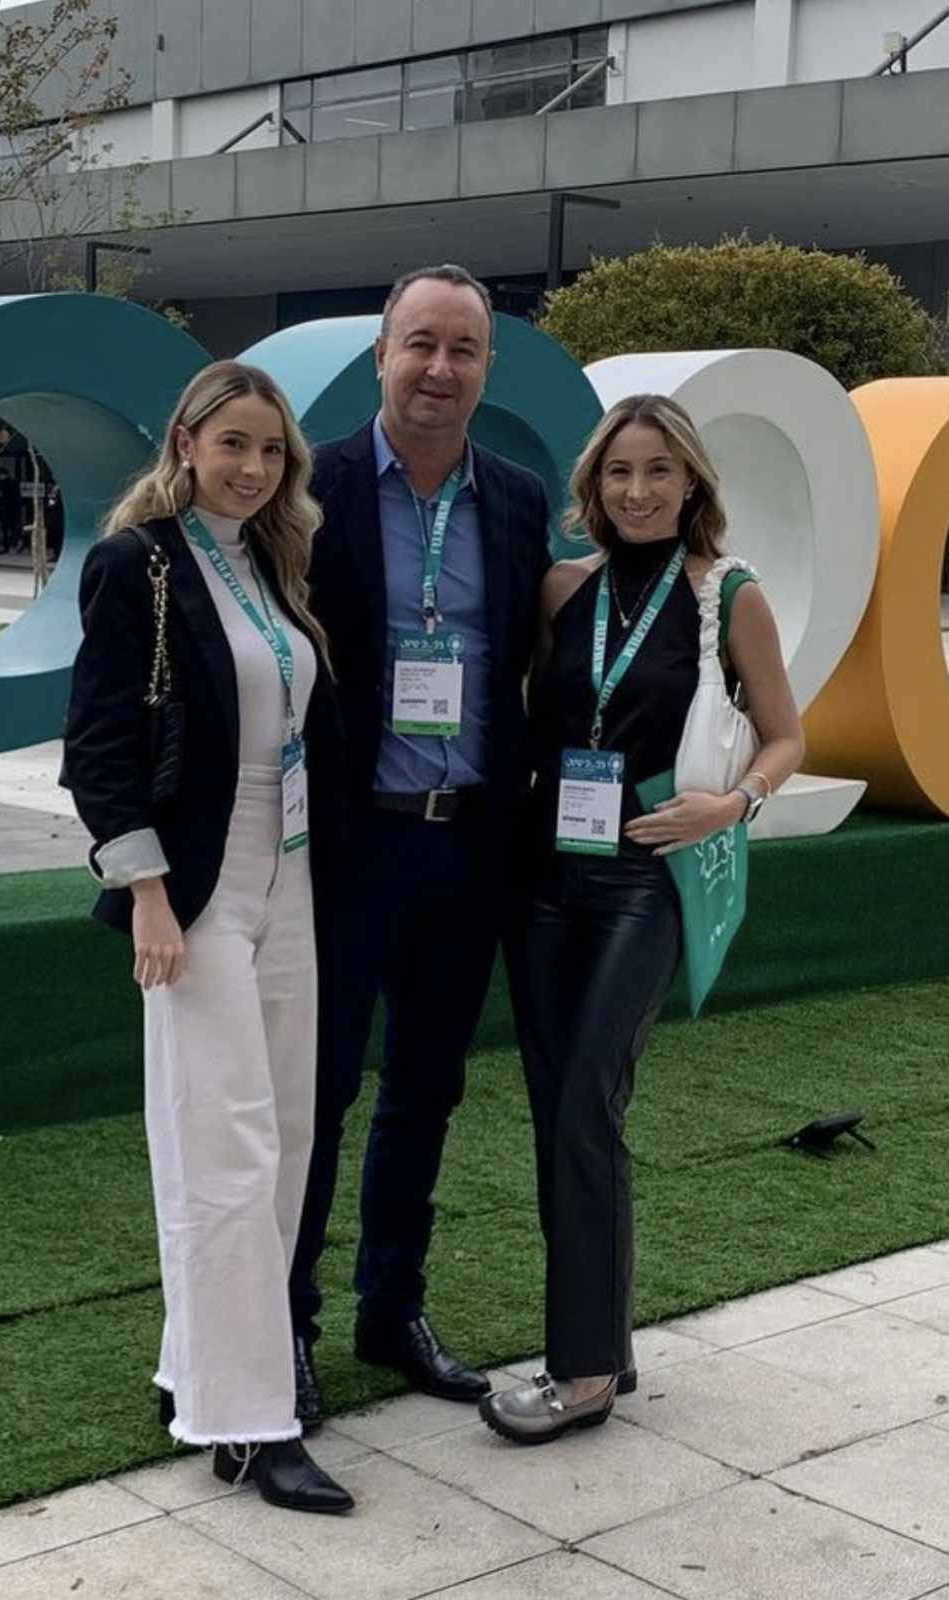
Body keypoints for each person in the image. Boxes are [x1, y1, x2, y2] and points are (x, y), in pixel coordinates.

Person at [479, 393, 804, 1445]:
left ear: (692, 479)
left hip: (646, 873)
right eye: (619, 470)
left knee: (587, 1095)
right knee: (560, 1109)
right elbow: (539, 714)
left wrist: (732, 804)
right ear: (593, 482)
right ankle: (602, 1344)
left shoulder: (727, 593)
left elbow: (785, 736)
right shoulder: (562, 586)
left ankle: (579, 1374)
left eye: (659, 469)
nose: (637, 489)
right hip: (541, 874)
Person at [62, 360, 353, 1514]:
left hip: (293, 875)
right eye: (233, 442)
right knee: (221, 1150)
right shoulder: (133, 563)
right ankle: (248, 1422)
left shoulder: (273, 564)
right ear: (185, 442)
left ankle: (202, 1371)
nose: (252, 466)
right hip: (196, 888)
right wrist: (145, 891)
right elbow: (97, 744)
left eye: (271, 449)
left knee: (283, 1136)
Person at [290, 264, 551, 1427]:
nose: (439, 368)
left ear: (487, 367)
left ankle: (388, 1309)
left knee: (425, 1090)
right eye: (420, 344)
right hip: (348, 851)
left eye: (463, 349)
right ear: (381, 356)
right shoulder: (311, 488)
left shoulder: (518, 498)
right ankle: (283, 1325)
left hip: (467, 847)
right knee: (317, 1094)